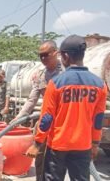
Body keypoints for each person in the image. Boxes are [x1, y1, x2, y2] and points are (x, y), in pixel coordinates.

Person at [26, 35, 108, 180]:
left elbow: (46, 118)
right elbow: (98, 119)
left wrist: (37, 144)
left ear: (65, 56)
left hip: (57, 147)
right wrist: (95, 144)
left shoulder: (56, 83)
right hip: (83, 146)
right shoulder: (100, 85)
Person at [11, 40, 62, 181]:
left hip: (62, 124)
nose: (43, 58)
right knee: (39, 157)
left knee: (58, 162)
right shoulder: (40, 76)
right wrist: (19, 116)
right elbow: (31, 100)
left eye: (46, 55)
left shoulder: (66, 73)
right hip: (45, 123)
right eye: (40, 56)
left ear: (56, 53)